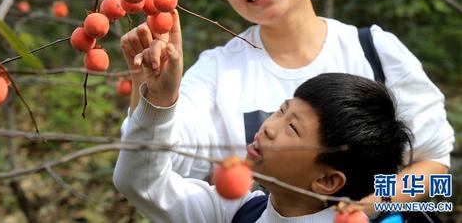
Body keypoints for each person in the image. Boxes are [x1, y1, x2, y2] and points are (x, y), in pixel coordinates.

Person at [118, 0, 454, 213]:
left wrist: (362, 210)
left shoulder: (375, 51)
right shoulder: (216, 71)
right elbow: (159, 166)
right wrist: (154, 95)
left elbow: (436, 166)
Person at [114, 73, 412, 222]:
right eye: (282, 110)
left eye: (292, 128)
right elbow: (141, 182)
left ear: (327, 180)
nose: (269, 126)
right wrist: (158, 100)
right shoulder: (236, 210)